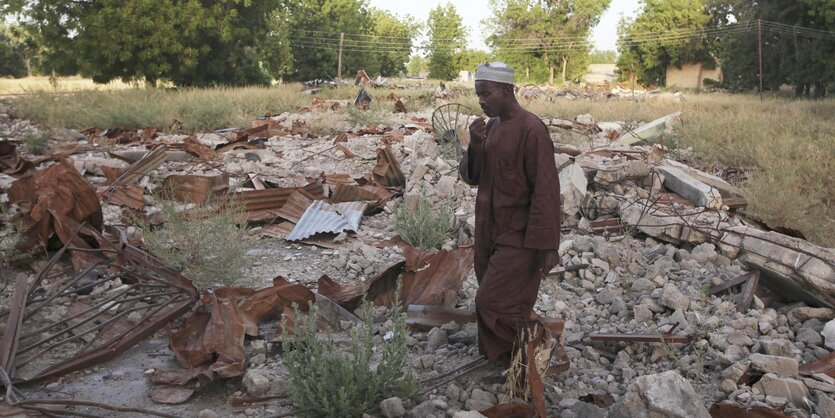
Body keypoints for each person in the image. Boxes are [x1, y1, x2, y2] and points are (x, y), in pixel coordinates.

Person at [459, 62, 561, 364]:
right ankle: (505, 362)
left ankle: (533, 354)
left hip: (520, 235)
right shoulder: (491, 128)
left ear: (506, 90)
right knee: (500, 300)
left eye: (486, 94)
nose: (481, 101)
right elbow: (472, 176)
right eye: (479, 95)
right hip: (488, 230)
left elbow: (546, 193)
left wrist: (547, 246)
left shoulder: (532, 130)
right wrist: (475, 144)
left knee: (490, 301)